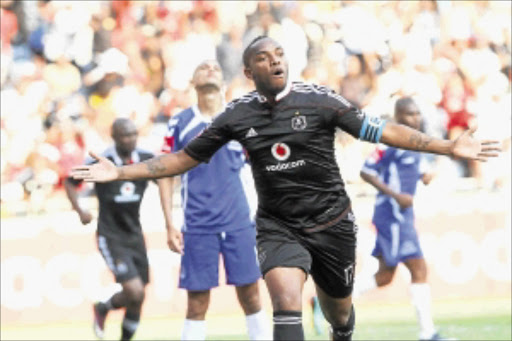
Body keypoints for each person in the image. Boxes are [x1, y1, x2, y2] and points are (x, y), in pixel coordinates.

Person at [71, 36, 501, 341]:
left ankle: (340, 329)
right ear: (248, 71)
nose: (275, 60)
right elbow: (183, 159)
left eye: (280, 54)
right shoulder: (236, 115)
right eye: (263, 57)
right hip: (278, 227)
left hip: (333, 223)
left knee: (340, 314)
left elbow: (379, 129)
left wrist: (447, 146)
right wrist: (122, 173)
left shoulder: (320, 100)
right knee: (285, 302)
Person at [157, 59, 271, 340]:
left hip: (239, 222)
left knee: (252, 295)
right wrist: (170, 223)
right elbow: (163, 171)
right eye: (202, 67)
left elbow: (263, 165)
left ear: (222, 84)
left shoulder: (240, 119)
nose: (210, 67)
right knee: (197, 303)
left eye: (216, 68)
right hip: (197, 225)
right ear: (193, 84)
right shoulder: (180, 123)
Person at [355, 97, 452, 341]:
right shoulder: (387, 142)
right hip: (391, 214)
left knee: (385, 276)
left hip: (403, 215)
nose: (415, 118)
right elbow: (366, 171)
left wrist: (424, 176)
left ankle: (329, 298)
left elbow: (407, 171)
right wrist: (396, 195)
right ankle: (428, 333)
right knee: (418, 268)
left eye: (417, 113)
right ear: (398, 117)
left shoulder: (414, 144)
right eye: (409, 114)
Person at [65, 118, 154, 341]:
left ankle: (104, 308)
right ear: (114, 137)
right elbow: (69, 182)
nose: (131, 139)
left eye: (134, 134)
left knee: (138, 296)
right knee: (134, 291)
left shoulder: (145, 158)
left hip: (135, 234)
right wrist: (80, 211)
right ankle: (103, 308)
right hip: (111, 234)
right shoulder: (102, 160)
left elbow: (166, 179)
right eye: (125, 135)